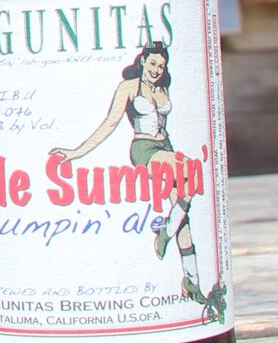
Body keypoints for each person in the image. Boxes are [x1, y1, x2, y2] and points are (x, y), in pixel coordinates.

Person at [50, 42, 211, 307]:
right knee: (189, 172)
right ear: (142, 61)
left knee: (183, 219)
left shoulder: (162, 87)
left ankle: (190, 282)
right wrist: (77, 152)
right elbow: (110, 123)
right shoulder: (129, 87)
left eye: (161, 66)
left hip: (165, 146)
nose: (156, 70)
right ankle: (165, 231)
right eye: (152, 64)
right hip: (144, 149)